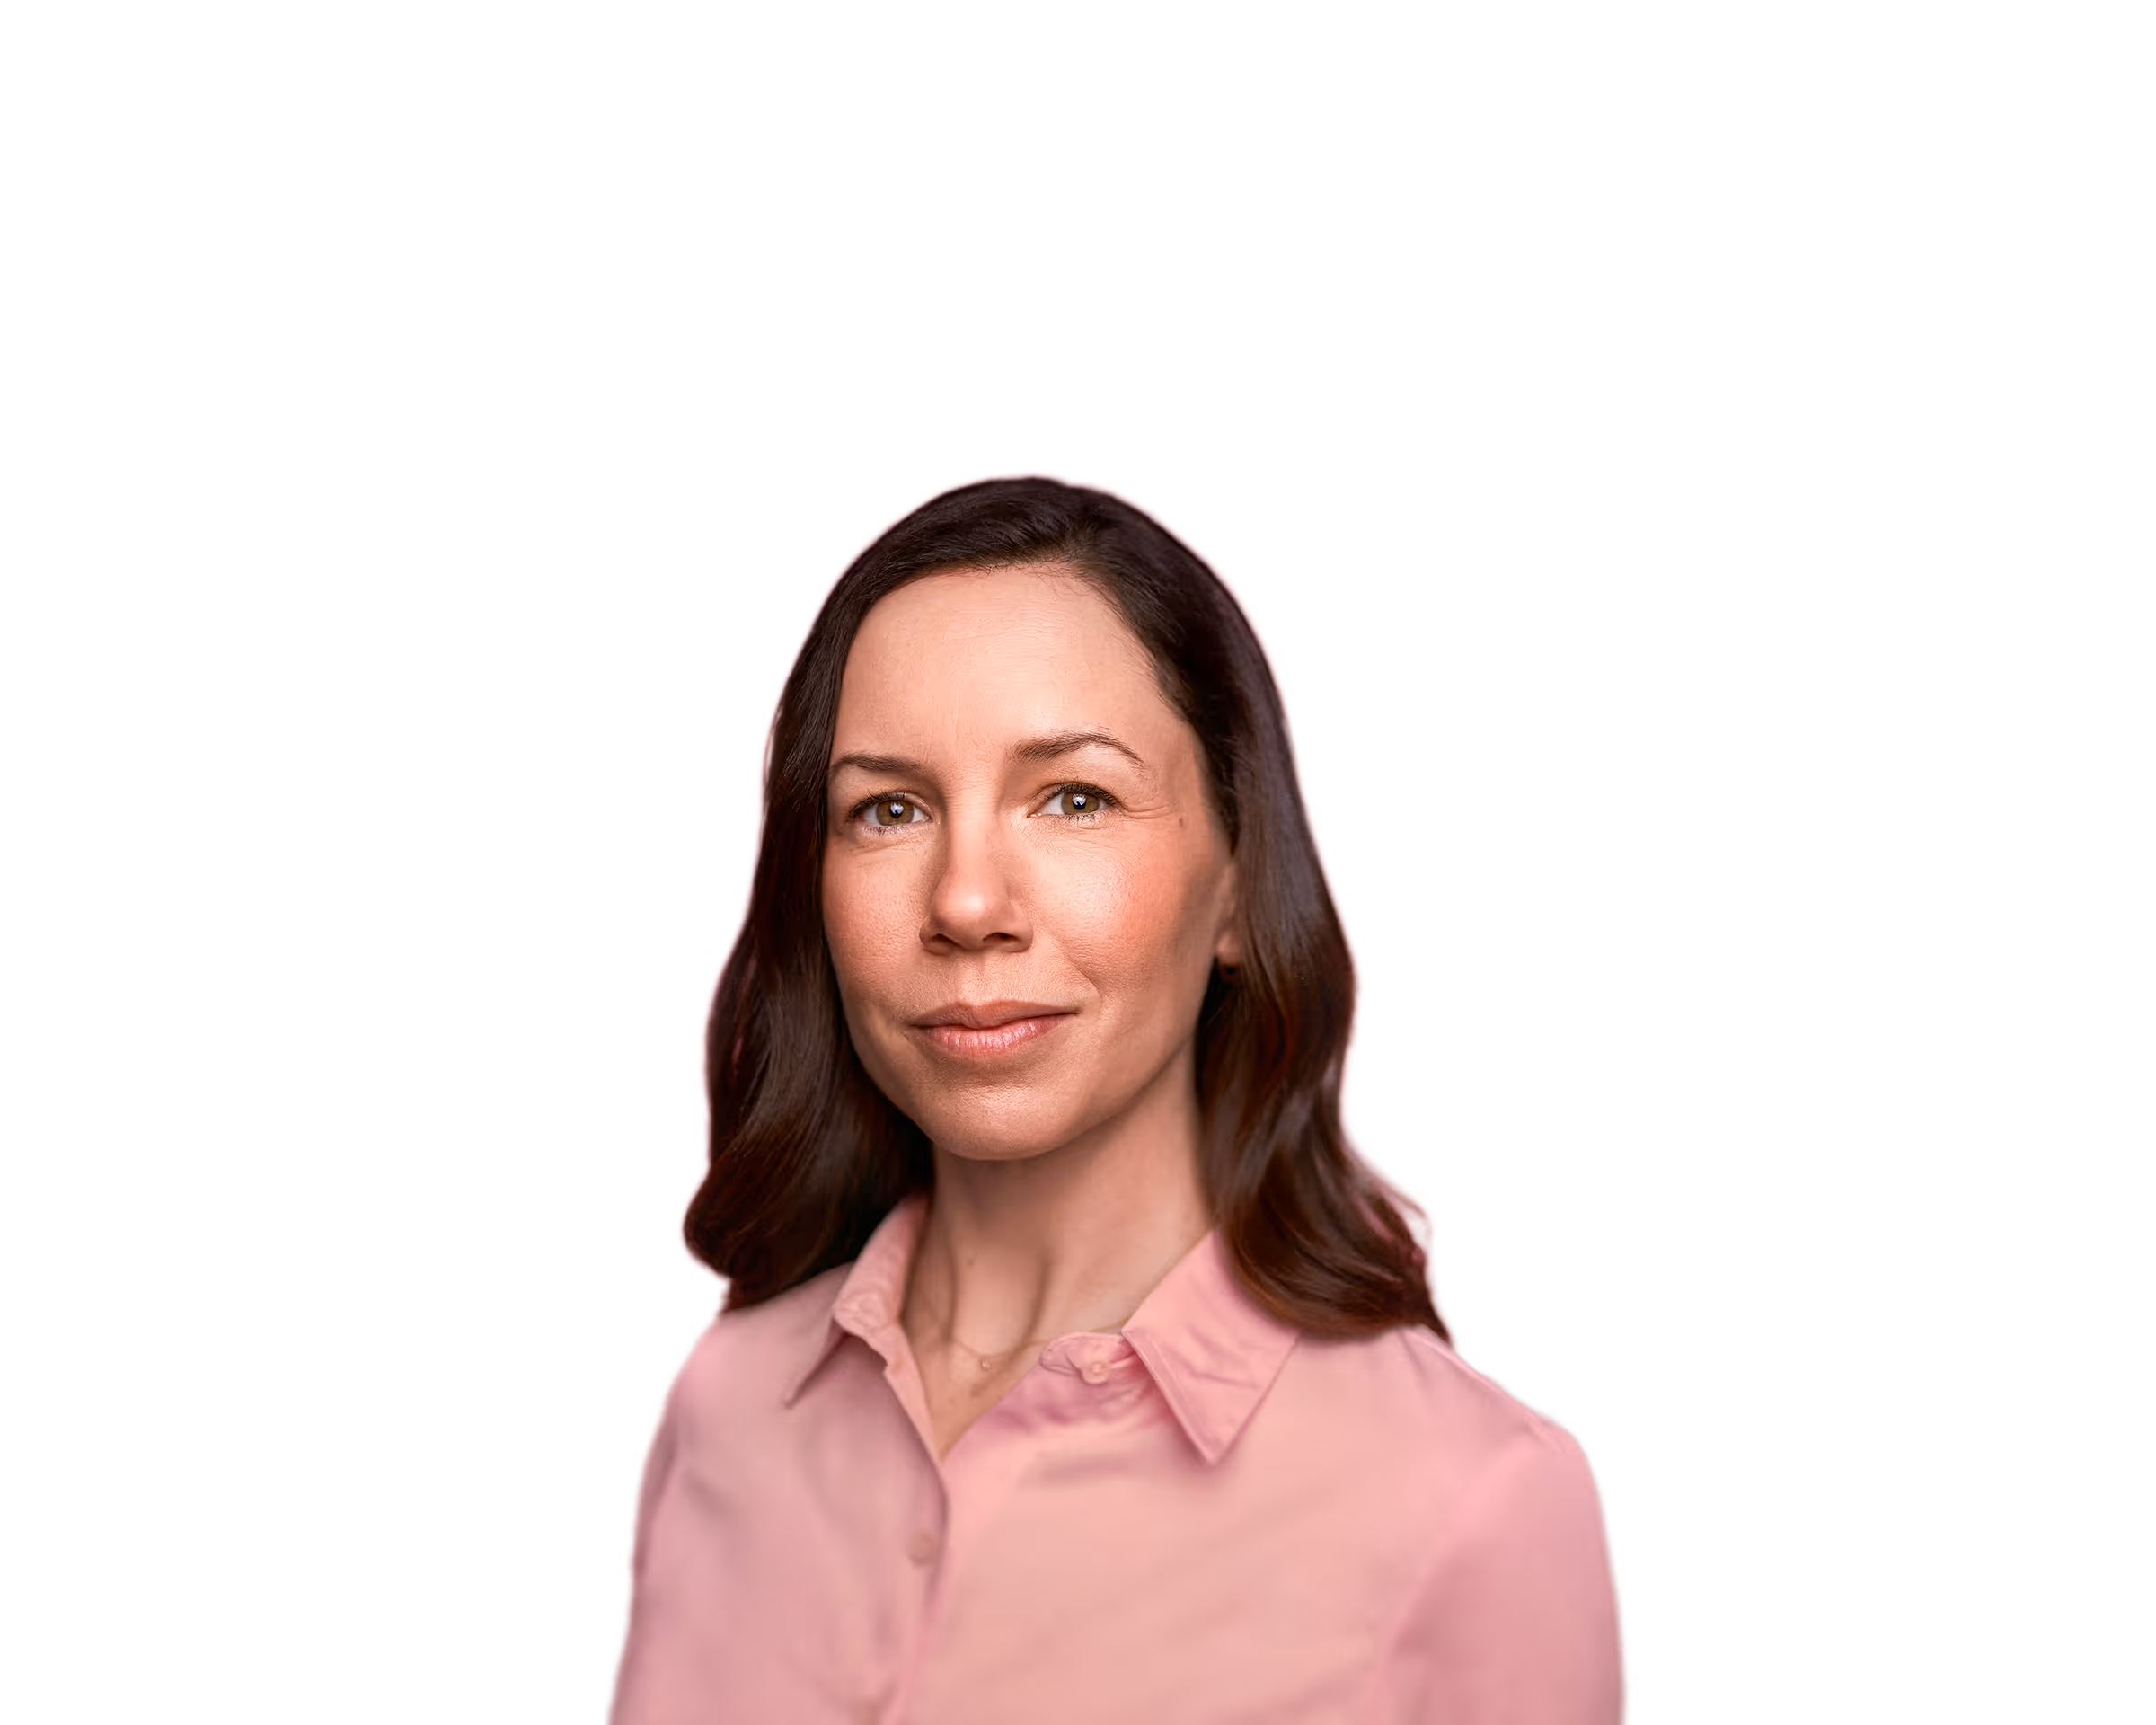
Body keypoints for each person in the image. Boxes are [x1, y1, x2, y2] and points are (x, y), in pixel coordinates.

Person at [607, 475, 1623, 1724]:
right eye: (889, 808)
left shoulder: (1472, 1504)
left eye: (1074, 797)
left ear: (1245, 887)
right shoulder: (727, 1404)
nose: (967, 901)